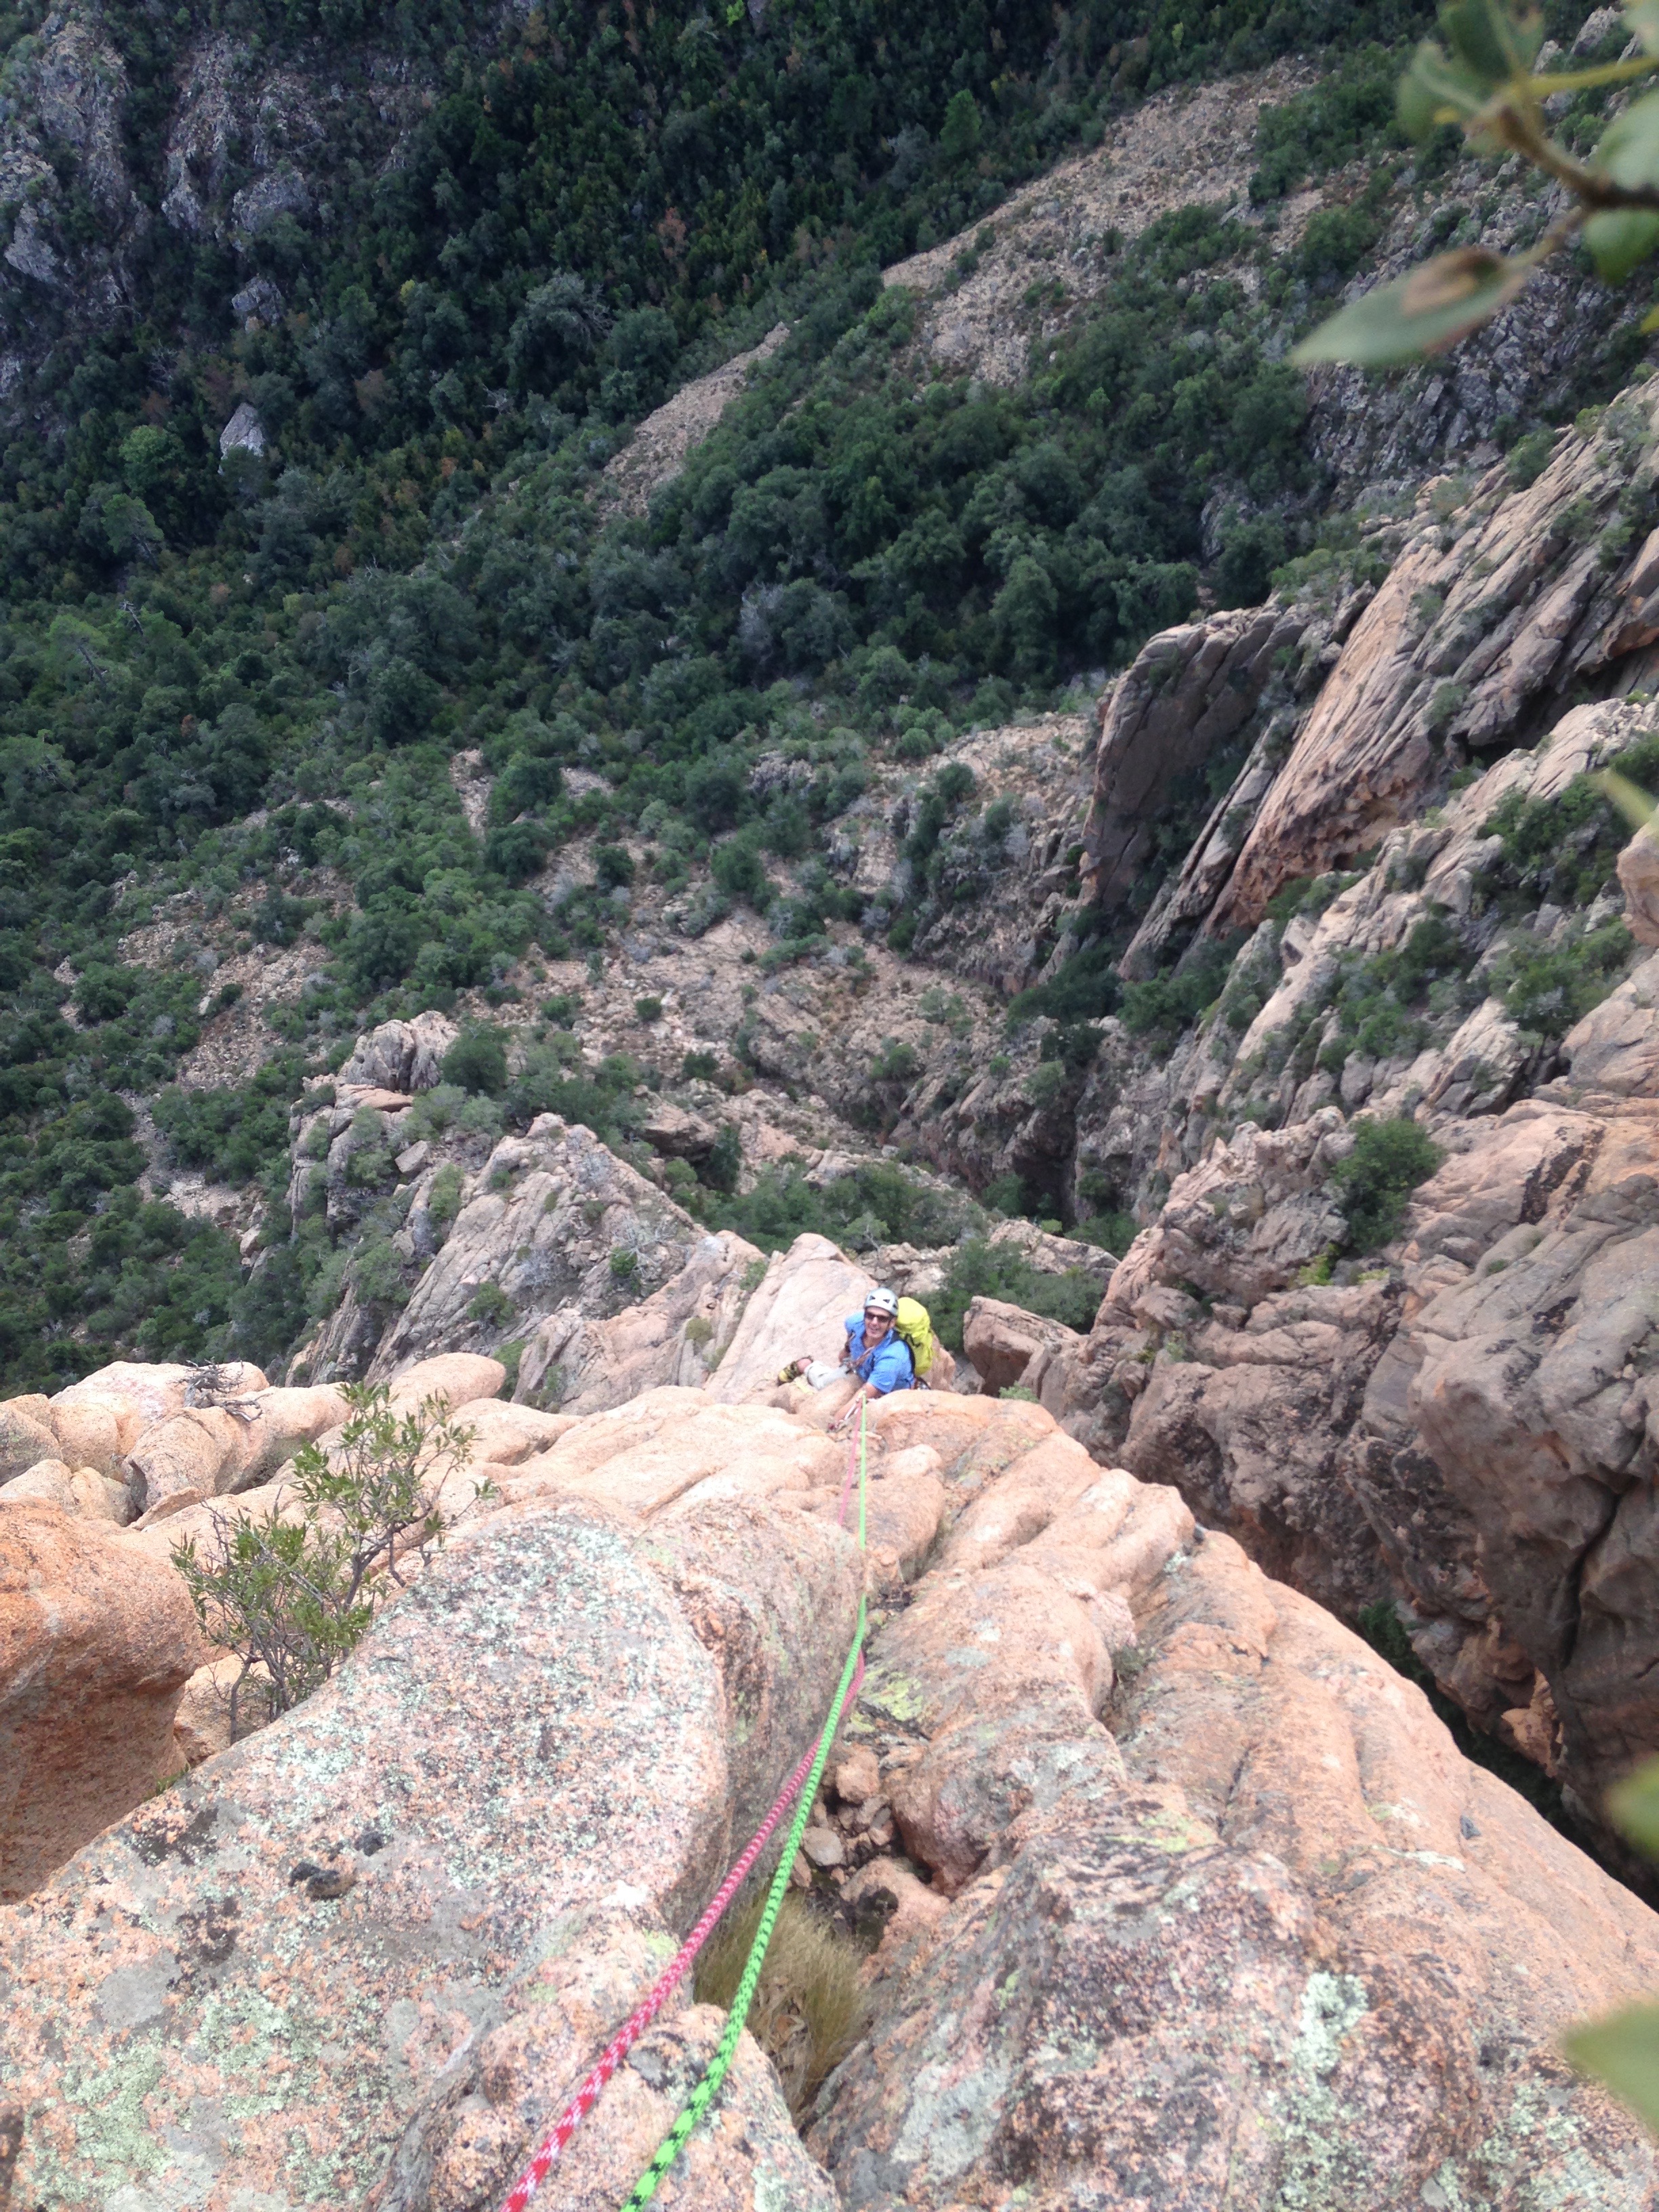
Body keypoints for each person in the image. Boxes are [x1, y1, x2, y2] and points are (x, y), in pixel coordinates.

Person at [824, 1286, 914, 1430]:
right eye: (870, 1315)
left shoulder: (893, 1356)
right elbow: (851, 1336)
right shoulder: (855, 1323)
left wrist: (834, 1424)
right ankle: (805, 1366)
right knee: (824, 1382)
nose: (874, 1322)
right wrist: (846, 1351)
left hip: (888, 1393)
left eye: (882, 1319)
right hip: (863, 1373)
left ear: (892, 1323)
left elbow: (863, 1396)